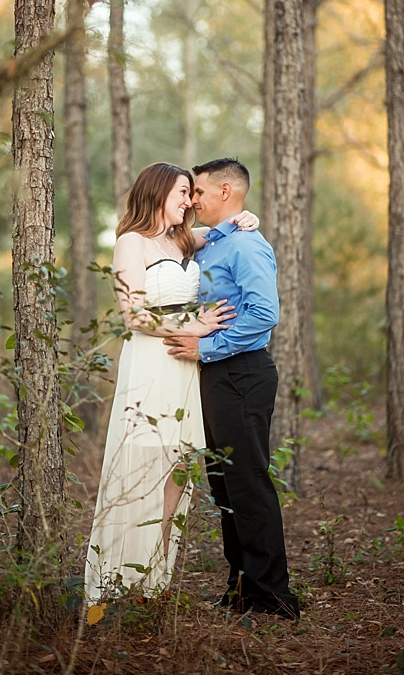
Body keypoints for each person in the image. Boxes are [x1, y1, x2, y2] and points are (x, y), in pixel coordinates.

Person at [84, 162, 257, 606]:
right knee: (142, 467)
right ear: (159, 193)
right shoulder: (130, 242)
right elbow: (133, 316)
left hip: (184, 369)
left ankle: (154, 583)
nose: (190, 202)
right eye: (183, 193)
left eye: (192, 194)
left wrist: (248, 218)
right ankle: (116, 582)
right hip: (150, 363)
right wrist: (194, 327)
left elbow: (228, 230)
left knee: (178, 471)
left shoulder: (185, 239)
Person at [162, 157, 301, 619]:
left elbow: (264, 314)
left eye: (198, 192)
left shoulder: (246, 248)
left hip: (242, 373)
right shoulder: (211, 243)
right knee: (224, 488)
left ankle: (274, 599)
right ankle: (240, 589)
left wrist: (207, 349)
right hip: (217, 377)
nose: (193, 200)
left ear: (225, 191)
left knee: (248, 484)